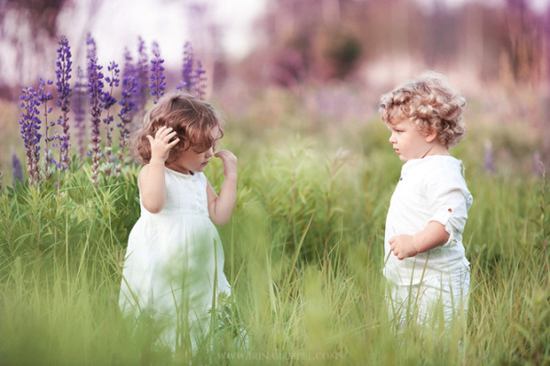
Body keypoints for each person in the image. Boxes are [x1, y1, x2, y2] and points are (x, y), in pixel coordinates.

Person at [119, 92, 237, 352]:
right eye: (200, 149)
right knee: (166, 305)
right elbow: (154, 204)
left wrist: (231, 179)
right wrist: (158, 160)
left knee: (202, 304)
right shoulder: (151, 172)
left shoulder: (198, 178)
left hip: (201, 263)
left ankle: (205, 349)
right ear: (172, 145)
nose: (209, 154)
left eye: (212, 146)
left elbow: (220, 215)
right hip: (164, 260)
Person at [379, 72, 473, 331]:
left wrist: (414, 243)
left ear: (429, 131)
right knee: (404, 344)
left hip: (437, 283)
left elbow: (447, 221)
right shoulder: (419, 165)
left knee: (438, 346)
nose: (391, 138)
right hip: (408, 277)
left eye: (399, 131)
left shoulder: (442, 172)